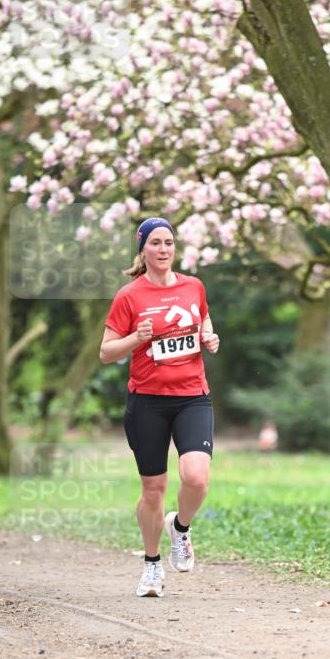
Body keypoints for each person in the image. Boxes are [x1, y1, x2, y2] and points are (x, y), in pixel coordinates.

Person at [99, 217, 220, 597]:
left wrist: (208, 336)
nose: (163, 249)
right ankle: (151, 565)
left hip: (192, 396)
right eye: (155, 243)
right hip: (148, 402)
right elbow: (106, 352)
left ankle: (180, 528)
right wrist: (136, 337)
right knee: (154, 489)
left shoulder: (193, 286)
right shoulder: (129, 296)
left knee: (196, 478)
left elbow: (203, 318)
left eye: (168, 242)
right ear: (143, 249)